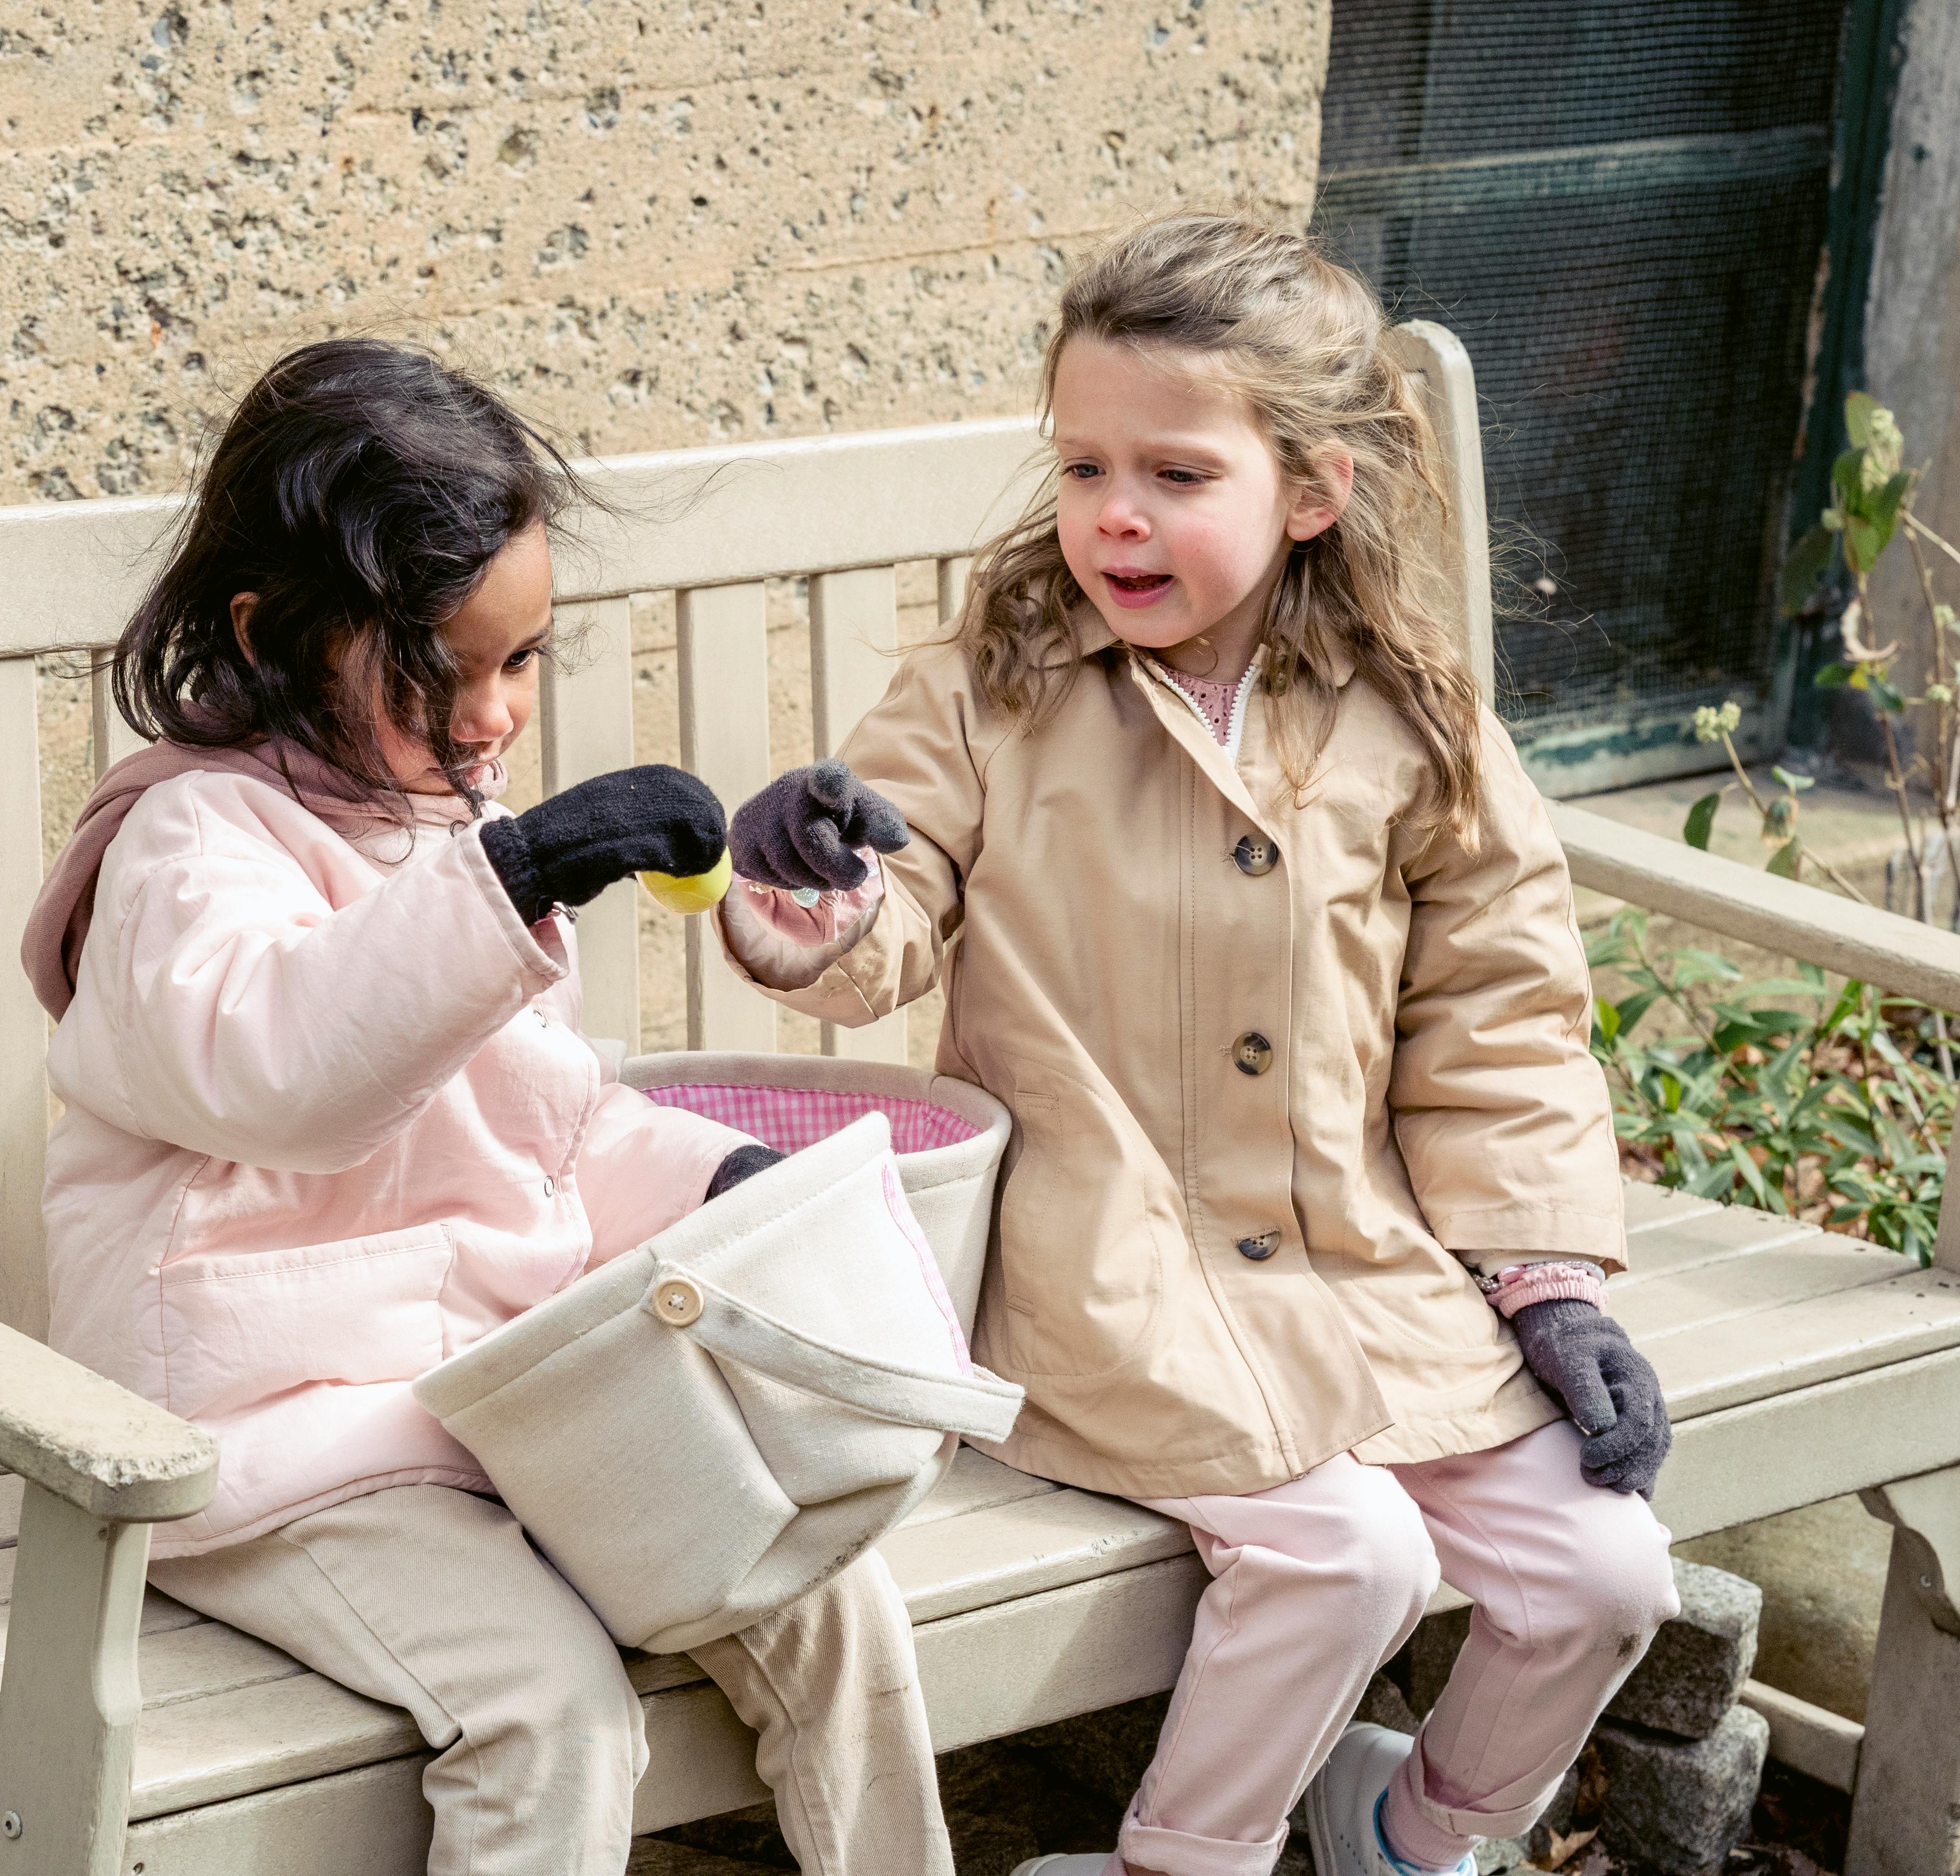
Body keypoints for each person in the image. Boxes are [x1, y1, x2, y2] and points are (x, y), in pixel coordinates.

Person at [715, 214, 1681, 1876]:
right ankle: (1187, 1862)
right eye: (1085, 464)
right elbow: (891, 910)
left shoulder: (1414, 722)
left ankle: (1406, 1835)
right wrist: (813, 892)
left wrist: (1546, 1279)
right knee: (1350, 1558)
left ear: (1310, 490)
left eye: (1175, 473)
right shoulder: (988, 692)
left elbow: (1500, 1015)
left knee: (1608, 1579)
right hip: (1103, 1272)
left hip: (1365, 1272)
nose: (1113, 515)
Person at [22, 337, 955, 1876]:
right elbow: (295, 1072)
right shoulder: (190, 850)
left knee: (821, 1590)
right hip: (258, 1440)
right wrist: (518, 874)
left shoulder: (439, 822)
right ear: (270, 635)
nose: (487, 720)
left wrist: (718, 1180)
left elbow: (551, 1128)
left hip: (492, 1397)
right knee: (547, 1709)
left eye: (517, 663)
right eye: (432, 671)